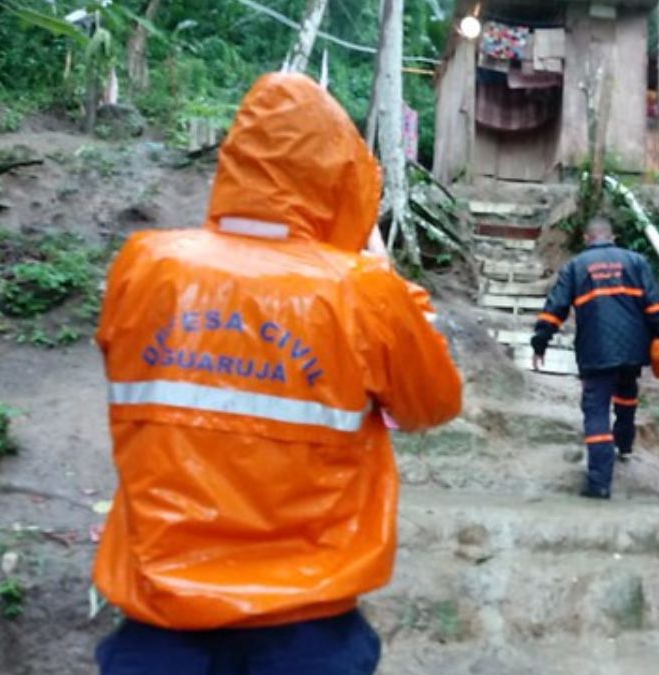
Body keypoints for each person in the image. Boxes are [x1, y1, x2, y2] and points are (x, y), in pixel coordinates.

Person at [92, 72, 462, 675]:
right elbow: (433, 403)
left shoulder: (145, 266)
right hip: (307, 626)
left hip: (159, 626)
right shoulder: (362, 292)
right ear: (340, 176)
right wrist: (392, 285)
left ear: (236, 163)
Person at [531, 215, 659, 500]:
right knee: (626, 395)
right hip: (633, 349)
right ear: (613, 237)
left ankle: (599, 483)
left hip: (595, 350)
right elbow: (655, 306)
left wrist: (540, 341)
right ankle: (624, 446)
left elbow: (556, 308)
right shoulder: (636, 262)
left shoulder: (576, 266)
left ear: (587, 239)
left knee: (596, 411)